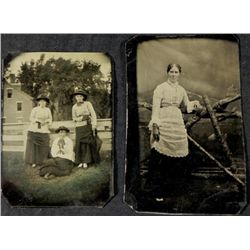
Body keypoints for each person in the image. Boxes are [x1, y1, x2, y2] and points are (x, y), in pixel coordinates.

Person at [147, 63, 201, 201]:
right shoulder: (160, 88)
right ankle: (157, 192)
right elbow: (155, 109)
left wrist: (194, 104)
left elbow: (186, 106)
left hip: (177, 122)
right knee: (160, 158)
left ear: (179, 74)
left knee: (179, 155)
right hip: (163, 120)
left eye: (176, 72)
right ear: (167, 73)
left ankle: (174, 190)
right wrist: (155, 125)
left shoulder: (181, 89)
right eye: (171, 72)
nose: (173, 74)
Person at [71, 87, 101, 169]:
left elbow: (93, 114)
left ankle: (86, 161)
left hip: (87, 126)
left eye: (80, 96)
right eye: (77, 96)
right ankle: (80, 161)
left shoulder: (88, 104)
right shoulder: (74, 107)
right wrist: (80, 118)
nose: (79, 98)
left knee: (87, 144)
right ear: (75, 97)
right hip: (79, 127)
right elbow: (74, 118)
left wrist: (94, 125)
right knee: (79, 144)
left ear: (83, 97)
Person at [25, 94, 52, 168]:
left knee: (45, 144)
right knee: (34, 146)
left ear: (46, 103)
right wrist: (37, 120)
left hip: (44, 129)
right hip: (35, 128)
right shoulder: (35, 109)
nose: (43, 103)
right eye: (41, 101)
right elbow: (31, 118)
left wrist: (46, 121)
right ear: (38, 102)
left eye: (44, 101)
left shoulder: (48, 110)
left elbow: (50, 119)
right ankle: (34, 162)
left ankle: (43, 161)